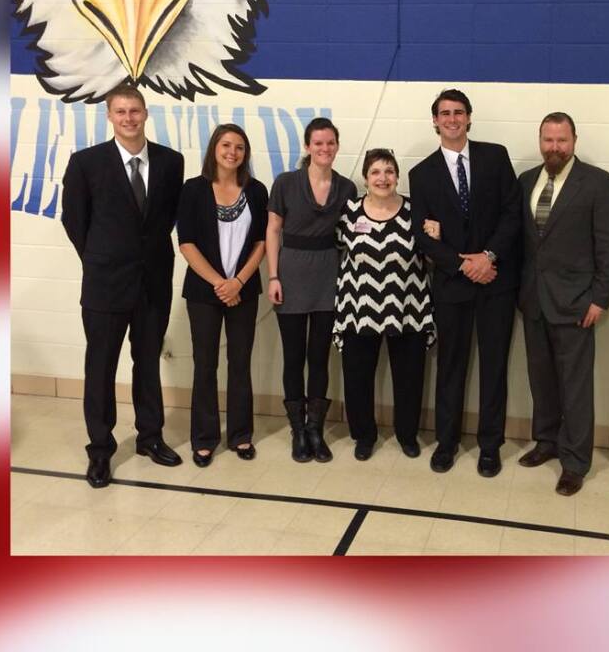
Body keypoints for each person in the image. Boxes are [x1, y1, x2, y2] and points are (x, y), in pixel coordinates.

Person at [61, 84, 184, 488]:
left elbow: (164, 219)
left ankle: (150, 437)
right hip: (105, 285)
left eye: (135, 111)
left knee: (147, 364)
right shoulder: (86, 163)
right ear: (110, 116)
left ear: (146, 113)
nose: (128, 118)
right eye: (120, 112)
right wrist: (101, 258)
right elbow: (75, 221)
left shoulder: (171, 162)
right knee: (100, 369)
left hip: (152, 284)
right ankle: (100, 451)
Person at [409, 89, 520, 478]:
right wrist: (462, 264)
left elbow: (512, 215)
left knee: (494, 368)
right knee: (451, 368)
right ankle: (447, 442)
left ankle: (490, 446)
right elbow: (421, 237)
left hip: (495, 282)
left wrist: (487, 258)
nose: (452, 119)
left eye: (458, 112)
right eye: (444, 113)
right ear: (435, 121)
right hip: (452, 286)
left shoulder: (495, 156)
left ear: (469, 118)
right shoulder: (421, 173)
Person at [517, 112, 609, 496]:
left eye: (562, 140)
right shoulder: (526, 181)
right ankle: (545, 441)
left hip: (577, 305)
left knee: (575, 387)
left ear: (574, 141)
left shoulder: (597, 183)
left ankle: (575, 461)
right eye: (548, 140)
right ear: (540, 140)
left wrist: (600, 299)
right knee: (541, 380)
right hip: (533, 302)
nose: (555, 147)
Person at [176, 124, 268, 467]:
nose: (233, 152)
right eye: (226, 145)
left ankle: (241, 435)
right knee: (205, 364)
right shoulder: (193, 189)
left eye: (240, 147)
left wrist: (238, 282)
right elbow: (186, 243)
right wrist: (220, 283)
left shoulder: (256, 191)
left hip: (243, 290)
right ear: (214, 148)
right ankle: (204, 438)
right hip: (204, 291)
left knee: (240, 364)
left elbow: (261, 241)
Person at [334, 149, 434, 461]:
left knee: (409, 377)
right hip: (358, 308)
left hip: (408, 306)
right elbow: (341, 250)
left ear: (397, 177)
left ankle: (407, 435)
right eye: (376, 172)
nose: (383, 178)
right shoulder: (349, 212)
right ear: (365, 177)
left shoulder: (414, 211)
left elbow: (429, 256)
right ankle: (364, 435)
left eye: (389, 171)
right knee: (357, 377)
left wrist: (435, 237)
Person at [266, 117, 356, 462]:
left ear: (337, 145)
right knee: (294, 357)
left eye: (330, 143)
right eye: (318, 143)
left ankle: (316, 429)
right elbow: (273, 230)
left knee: (319, 357)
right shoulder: (286, 183)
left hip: (328, 276)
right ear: (307, 147)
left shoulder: (346, 188)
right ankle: (298, 430)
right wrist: (273, 276)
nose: (325, 149)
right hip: (290, 274)